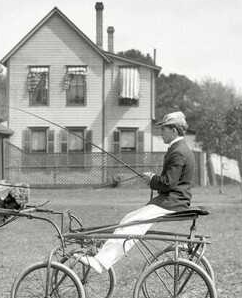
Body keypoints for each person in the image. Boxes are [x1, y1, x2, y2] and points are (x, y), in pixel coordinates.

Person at [80, 111, 195, 274]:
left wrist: (153, 178)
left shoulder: (178, 151)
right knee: (128, 219)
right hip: (171, 200)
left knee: (131, 224)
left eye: (163, 129)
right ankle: (102, 257)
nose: (161, 132)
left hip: (172, 202)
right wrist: (153, 178)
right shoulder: (178, 149)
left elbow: (168, 183)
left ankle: (100, 262)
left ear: (174, 130)